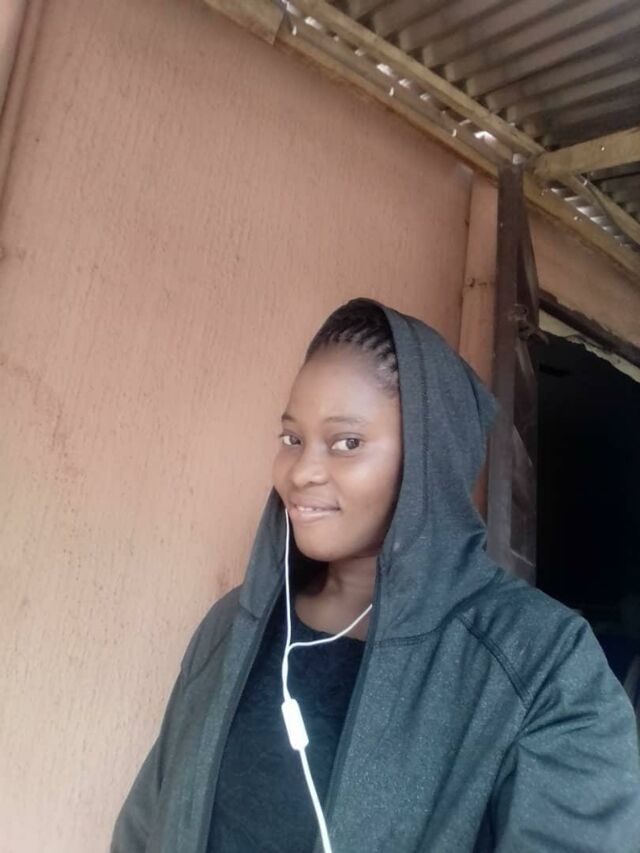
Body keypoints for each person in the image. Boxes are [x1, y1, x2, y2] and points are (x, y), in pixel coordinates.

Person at [111, 298, 640, 852]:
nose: (302, 471)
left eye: (347, 443)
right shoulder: (230, 627)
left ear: (429, 461)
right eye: (292, 439)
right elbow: (145, 828)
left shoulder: (542, 665)